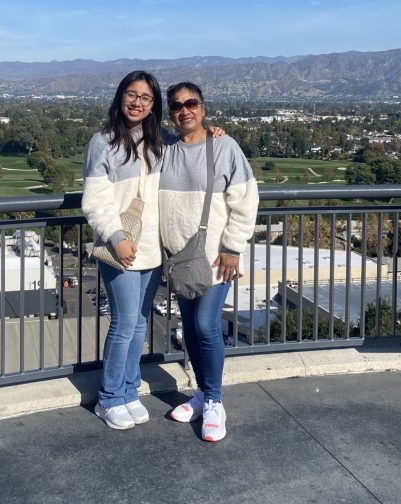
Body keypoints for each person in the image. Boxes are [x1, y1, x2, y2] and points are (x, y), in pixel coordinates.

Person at [159, 82, 259, 442]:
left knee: (205, 325)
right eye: (176, 106)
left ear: (203, 106)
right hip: (179, 261)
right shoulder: (163, 151)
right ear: (169, 113)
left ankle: (215, 401)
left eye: (192, 103)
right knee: (189, 327)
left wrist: (233, 247)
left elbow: (246, 200)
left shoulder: (225, 147)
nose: (184, 110)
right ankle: (201, 394)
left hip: (217, 257)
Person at [82, 70, 165, 430]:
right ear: (120, 97)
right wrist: (116, 236)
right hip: (121, 247)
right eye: (132, 95)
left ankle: (130, 389)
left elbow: (195, 151)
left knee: (140, 322)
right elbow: (95, 200)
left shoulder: (160, 144)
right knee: (125, 323)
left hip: (152, 248)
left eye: (145, 98)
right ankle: (110, 396)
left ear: (153, 105)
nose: (137, 102)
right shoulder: (103, 142)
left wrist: (213, 134)